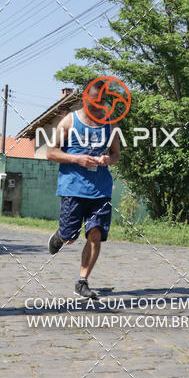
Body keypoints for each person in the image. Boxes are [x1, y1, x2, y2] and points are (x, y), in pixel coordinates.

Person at [46, 78, 121, 300]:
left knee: (95, 234)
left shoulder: (110, 123)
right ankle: (61, 236)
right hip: (73, 188)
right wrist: (77, 159)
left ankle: (82, 281)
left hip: (101, 189)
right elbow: (51, 152)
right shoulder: (69, 121)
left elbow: (116, 154)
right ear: (85, 98)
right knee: (71, 237)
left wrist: (109, 159)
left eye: (101, 100)